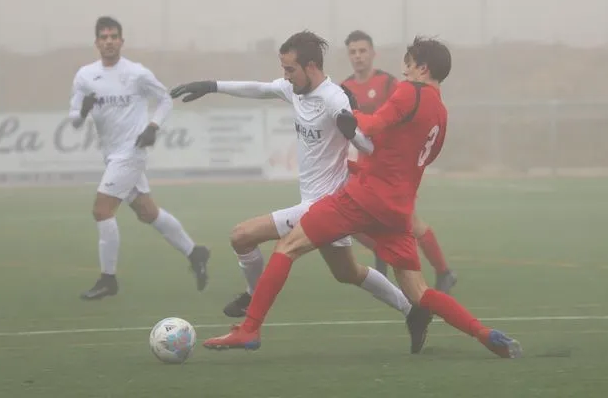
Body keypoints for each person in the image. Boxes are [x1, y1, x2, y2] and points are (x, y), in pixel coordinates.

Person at [202, 36, 522, 359]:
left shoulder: (409, 91)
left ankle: (250, 328)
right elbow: (421, 158)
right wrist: (360, 161)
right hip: (398, 211)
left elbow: (371, 127)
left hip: (363, 199)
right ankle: (483, 333)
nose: (405, 70)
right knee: (418, 290)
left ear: (422, 67)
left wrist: (351, 120)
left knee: (287, 246)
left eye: (409, 64)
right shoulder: (441, 112)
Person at [170, 30, 433, 352]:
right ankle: (412, 311)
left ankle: (252, 307)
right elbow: (259, 89)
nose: (285, 76)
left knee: (241, 235)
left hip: (328, 205)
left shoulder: (334, 97)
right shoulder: (294, 89)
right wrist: (211, 86)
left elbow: (368, 144)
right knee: (347, 272)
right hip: (320, 204)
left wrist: (355, 133)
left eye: (290, 69)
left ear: (310, 66)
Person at [71, 16, 210, 301]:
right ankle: (195, 252)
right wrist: (83, 111)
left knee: (102, 211)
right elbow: (74, 119)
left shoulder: (136, 73)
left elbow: (165, 99)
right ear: (96, 42)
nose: (109, 41)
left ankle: (108, 279)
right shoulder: (85, 76)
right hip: (111, 156)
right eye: (104, 37)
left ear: (122, 41)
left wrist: (152, 127)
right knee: (148, 212)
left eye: (113, 36)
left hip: (132, 152)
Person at [341, 30, 457, 293]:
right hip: (368, 161)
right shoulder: (345, 86)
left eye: (362, 50)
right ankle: (389, 260)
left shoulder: (395, 85)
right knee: (356, 219)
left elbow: (386, 122)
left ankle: (442, 272)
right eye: (353, 52)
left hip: (390, 168)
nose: (358, 56)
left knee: (408, 224)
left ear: (373, 53)